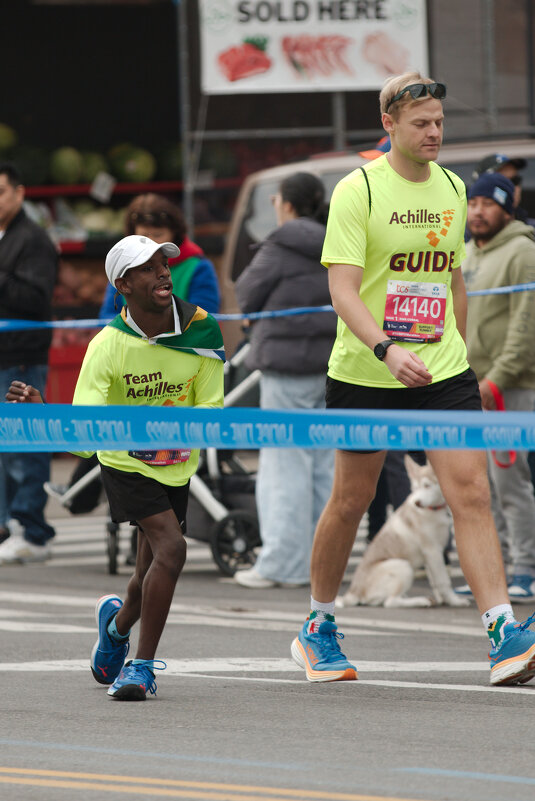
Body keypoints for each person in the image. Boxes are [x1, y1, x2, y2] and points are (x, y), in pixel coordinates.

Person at [289, 71, 535, 688]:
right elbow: (341, 289)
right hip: (366, 369)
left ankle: (502, 629)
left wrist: (459, 350)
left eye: (440, 123)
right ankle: (317, 626)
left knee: (471, 494)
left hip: (443, 370)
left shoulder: (454, 188)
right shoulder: (358, 191)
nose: (434, 133)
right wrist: (387, 349)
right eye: (422, 123)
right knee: (353, 499)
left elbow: (452, 279)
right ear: (389, 126)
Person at [6, 234, 224, 701]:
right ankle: (141, 668)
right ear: (122, 285)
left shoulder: (203, 332)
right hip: (124, 462)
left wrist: (181, 430)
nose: (162, 273)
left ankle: (117, 625)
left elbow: (211, 407)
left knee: (149, 571)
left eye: (163, 265)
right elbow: (85, 442)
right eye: (146, 269)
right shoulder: (106, 346)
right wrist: (48, 413)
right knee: (173, 549)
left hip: (176, 466)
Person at [233, 172, 337, 589]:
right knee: (323, 466)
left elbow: (245, 294)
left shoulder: (280, 245)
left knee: (282, 466)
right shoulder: (337, 240)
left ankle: (281, 563)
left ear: (286, 205)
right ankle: (322, 565)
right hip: (332, 366)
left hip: (284, 368)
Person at [458, 172, 535, 602]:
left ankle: (526, 565)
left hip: (511, 386)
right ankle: (496, 571)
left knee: (511, 479)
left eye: (488, 204)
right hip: (471, 387)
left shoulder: (523, 251)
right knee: (478, 481)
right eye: (472, 203)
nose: (477, 212)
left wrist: (495, 381)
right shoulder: (467, 252)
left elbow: (525, 326)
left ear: (506, 209)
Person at [0, 162, 58, 563]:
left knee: (26, 444)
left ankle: (33, 531)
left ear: (19, 193)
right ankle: (8, 526)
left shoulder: (33, 240)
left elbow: (36, 299)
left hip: (21, 359)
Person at [99, 193, 220, 316]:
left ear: (174, 234)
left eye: (158, 235)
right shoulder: (123, 267)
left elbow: (202, 319)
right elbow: (108, 317)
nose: (150, 242)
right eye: (143, 236)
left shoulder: (197, 267)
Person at [472, 154, 534, 228]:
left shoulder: (531, 230)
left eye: (515, 180)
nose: (511, 187)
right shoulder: (462, 232)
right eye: (501, 182)